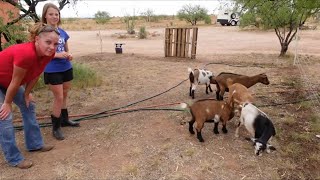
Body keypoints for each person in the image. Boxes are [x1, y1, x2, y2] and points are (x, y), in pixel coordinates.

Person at [0, 23, 60, 169]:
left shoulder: (48, 53)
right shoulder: (26, 54)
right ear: (37, 39)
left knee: (29, 105)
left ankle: (34, 144)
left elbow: (36, 74)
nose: (52, 47)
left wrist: (26, 94)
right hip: (6, 82)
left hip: (8, 82)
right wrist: (7, 103)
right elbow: (16, 82)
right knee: (4, 117)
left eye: (55, 43)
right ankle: (14, 158)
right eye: (48, 42)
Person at [41, 3, 80, 141]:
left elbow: (66, 49)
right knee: (58, 97)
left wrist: (68, 55)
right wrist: (57, 55)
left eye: (56, 14)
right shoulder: (43, 33)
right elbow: (41, 53)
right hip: (52, 69)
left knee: (64, 94)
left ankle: (65, 120)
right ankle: (56, 127)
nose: (54, 16)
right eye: (51, 14)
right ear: (45, 15)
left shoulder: (62, 32)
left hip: (66, 67)